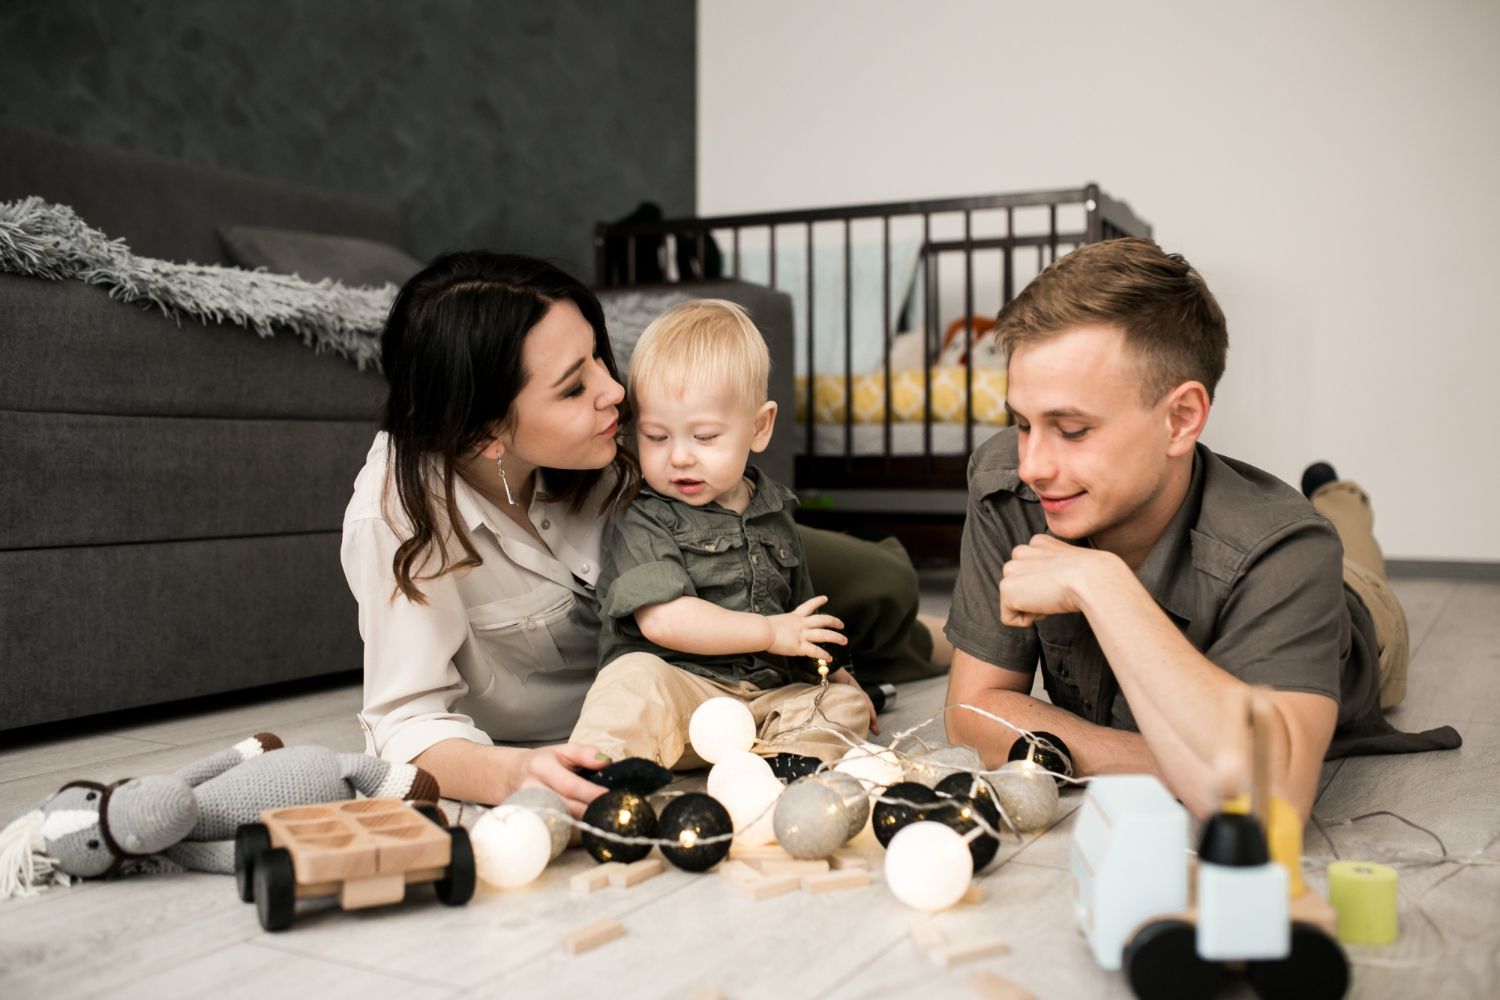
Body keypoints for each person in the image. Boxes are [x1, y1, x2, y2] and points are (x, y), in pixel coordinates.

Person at [341, 252, 945, 815]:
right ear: (485, 436)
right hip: (664, 671)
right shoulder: (399, 519)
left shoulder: (603, 450)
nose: (616, 392)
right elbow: (406, 722)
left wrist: (826, 662)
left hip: (717, 559)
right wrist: (514, 772)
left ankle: (941, 640)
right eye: (575, 386)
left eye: (600, 358)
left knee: (882, 585)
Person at [943, 238, 1459, 820]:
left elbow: (1265, 806)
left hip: (1358, 606)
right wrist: (1197, 765)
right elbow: (973, 711)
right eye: (1022, 423)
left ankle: (1340, 497)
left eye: (1073, 429)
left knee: (1347, 541)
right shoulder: (1011, 479)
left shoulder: (1289, 547)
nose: (1034, 464)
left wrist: (1102, 584)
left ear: (1181, 418)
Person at [570, 300, 874, 766]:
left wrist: (833, 675)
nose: (680, 457)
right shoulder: (644, 516)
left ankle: (788, 764)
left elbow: (804, 619)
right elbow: (663, 620)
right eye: (656, 436)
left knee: (841, 705)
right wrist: (768, 632)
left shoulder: (775, 513)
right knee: (631, 679)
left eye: (705, 437)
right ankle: (605, 772)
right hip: (683, 700)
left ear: (759, 427)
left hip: (762, 704)